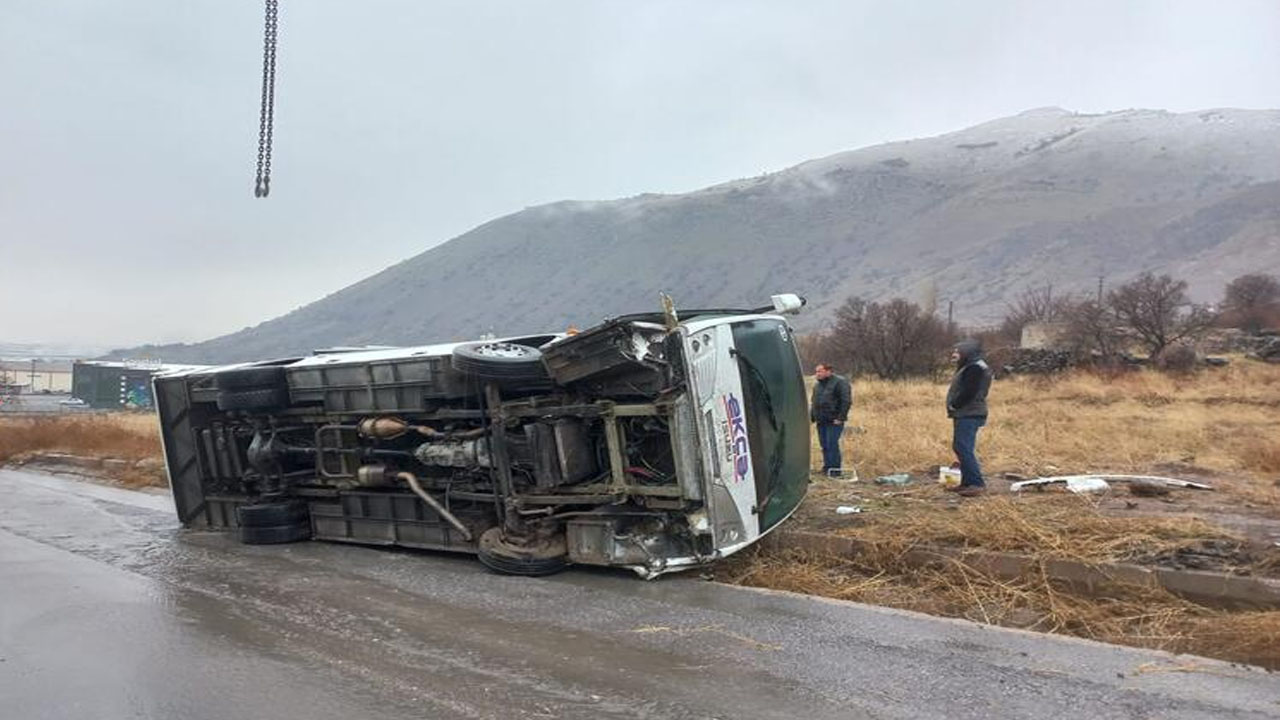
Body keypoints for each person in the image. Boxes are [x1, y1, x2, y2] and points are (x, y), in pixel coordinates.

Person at [946, 339, 994, 497]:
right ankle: (967, 482)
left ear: (967, 353)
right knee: (961, 447)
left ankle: (976, 483)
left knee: (963, 447)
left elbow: (969, 392)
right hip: (969, 412)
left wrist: (955, 405)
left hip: (969, 413)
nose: (954, 355)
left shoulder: (974, 368)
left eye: (958, 352)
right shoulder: (974, 365)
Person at [810, 363, 852, 474]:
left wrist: (840, 417)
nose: (817, 374)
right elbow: (814, 402)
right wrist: (812, 417)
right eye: (816, 371)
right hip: (821, 420)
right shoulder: (817, 385)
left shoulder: (840, 382)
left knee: (832, 444)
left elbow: (846, 401)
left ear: (828, 371)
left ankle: (835, 471)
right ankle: (827, 468)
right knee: (824, 445)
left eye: (820, 371)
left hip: (834, 420)